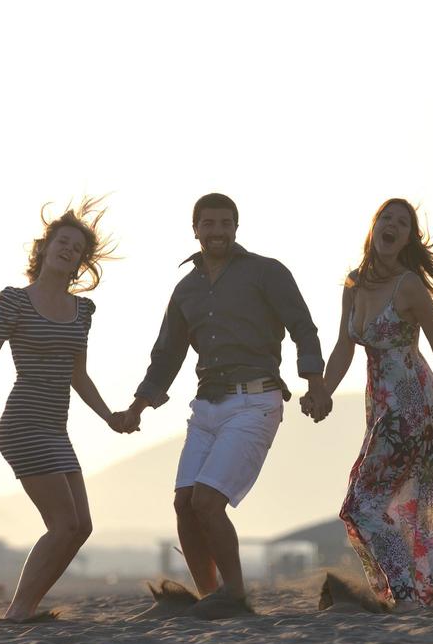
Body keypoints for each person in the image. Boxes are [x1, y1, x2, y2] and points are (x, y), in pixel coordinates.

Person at [112, 193, 326, 617]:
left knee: (208, 502)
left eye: (225, 223)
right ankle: (210, 600)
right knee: (184, 504)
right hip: (206, 407)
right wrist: (137, 407)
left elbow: (303, 326)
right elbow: (166, 356)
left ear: (236, 227)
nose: (217, 231)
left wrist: (314, 384)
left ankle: (235, 595)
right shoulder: (186, 289)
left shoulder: (266, 272)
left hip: (255, 401)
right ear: (195, 229)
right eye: (208, 224)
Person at [0, 200, 121, 622]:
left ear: (81, 262)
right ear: (45, 247)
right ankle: (18, 612)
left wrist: (109, 416)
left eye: (76, 247)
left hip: (57, 427)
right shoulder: (14, 302)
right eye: (62, 241)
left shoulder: (82, 311)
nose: (68, 249)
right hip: (22, 424)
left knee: (81, 527)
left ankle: (25, 608)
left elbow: (79, 375)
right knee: (63, 525)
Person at [312, 199, 433, 609]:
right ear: (374, 228)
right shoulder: (353, 284)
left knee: (362, 505)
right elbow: (343, 348)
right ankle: (409, 591)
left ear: (407, 239)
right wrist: (324, 391)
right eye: (386, 219)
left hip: (413, 403)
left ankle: (406, 593)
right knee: (366, 505)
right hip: (382, 408)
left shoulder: (408, 285)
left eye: (402, 224)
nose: (392, 226)